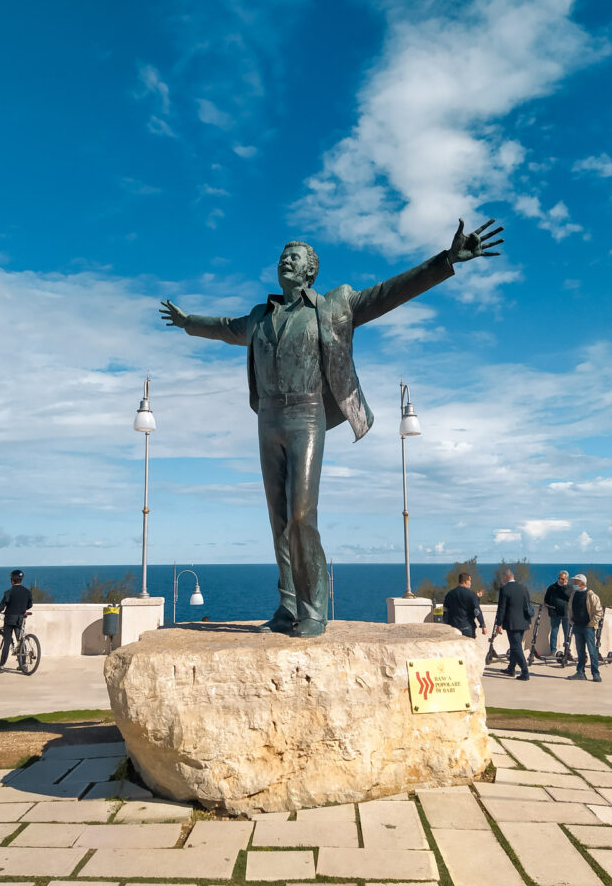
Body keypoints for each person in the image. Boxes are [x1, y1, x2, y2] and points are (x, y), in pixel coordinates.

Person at [161, 219, 504, 637]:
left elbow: (387, 294)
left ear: (309, 272)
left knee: (302, 514)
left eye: (295, 257)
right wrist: (187, 322)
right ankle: (287, 605)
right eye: (283, 256)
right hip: (267, 419)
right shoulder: (259, 317)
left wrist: (445, 261)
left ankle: (313, 608)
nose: (286, 260)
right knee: (278, 518)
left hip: (307, 415)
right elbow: (223, 328)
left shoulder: (333, 306)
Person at [0, 569, 33, 671]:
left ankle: (1, 665)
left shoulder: (9, 592)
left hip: (9, 619)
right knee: (20, 640)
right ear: (21, 580)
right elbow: (30, 605)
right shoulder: (27, 592)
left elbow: (1, 607)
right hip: (20, 619)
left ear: (12, 580)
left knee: (7, 642)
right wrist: (22, 609)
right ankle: (23, 664)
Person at [494, 567, 533, 680]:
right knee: (515, 645)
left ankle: (525, 672)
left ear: (506, 577)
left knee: (516, 647)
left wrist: (499, 624)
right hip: (523, 622)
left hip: (512, 623)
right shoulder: (523, 588)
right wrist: (529, 621)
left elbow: (502, 608)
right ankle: (511, 668)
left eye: (503, 577)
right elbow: (528, 606)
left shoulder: (504, 589)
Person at [566, 572, 603, 682]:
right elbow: (570, 608)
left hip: (588, 628)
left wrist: (591, 624)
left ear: (582, 583)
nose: (573, 583)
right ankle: (580, 672)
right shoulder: (574, 594)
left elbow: (598, 612)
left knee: (592, 651)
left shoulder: (591, 596)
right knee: (580, 651)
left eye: (575, 582)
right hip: (577, 626)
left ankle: (596, 674)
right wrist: (570, 619)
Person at [442, 573, 486, 638]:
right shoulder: (471, 595)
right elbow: (477, 611)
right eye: (470, 581)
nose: (470, 583)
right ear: (466, 581)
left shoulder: (449, 594)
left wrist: (445, 625)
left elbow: (445, 610)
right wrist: (483, 625)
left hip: (453, 627)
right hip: (467, 628)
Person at [544, 569, 572, 655]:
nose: (561, 580)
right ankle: (553, 651)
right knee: (554, 633)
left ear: (566, 579)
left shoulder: (569, 588)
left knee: (567, 633)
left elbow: (569, 597)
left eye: (563, 579)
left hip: (566, 614)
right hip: (554, 613)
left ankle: (567, 651)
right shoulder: (552, 587)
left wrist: (564, 586)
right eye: (560, 578)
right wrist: (550, 608)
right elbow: (546, 600)